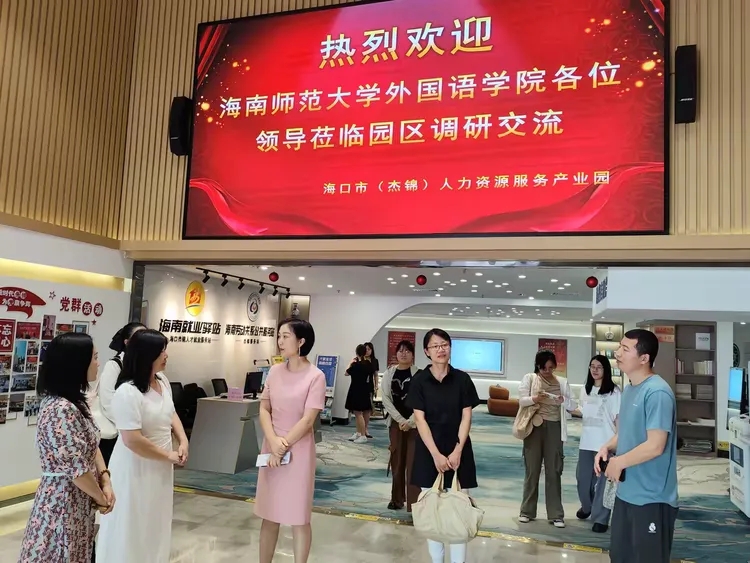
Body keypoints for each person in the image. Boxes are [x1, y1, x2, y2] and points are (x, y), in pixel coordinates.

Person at [18, 333, 115, 563]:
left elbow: (91, 445)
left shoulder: (75, 402)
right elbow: (77, 470)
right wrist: (101, 497)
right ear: (77, 364)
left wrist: (105, 478)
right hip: (62, 502)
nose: (98, 363)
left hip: (79, 500)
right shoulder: (60, 409)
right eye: (94, 357)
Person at [96, 329, 188, 563]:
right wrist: (167, 455)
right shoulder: (127, 392)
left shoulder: (161, 382)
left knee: (156, 519)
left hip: (161, 466)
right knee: (133, 520)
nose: (166, 355)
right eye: (161, 351)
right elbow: (132, 439)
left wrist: (183, 440)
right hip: (136, 467)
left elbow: (170, 412)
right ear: (146, 355)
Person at [595, 329, 678, 563]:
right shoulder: (630, 389)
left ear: (644, 358)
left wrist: (620, 462)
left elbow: (656, 445)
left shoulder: (657, 392)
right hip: (626, 493)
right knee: (620, 557)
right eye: (619, 347)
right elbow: (626, 432)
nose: (617, 353)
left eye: (625, 349)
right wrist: (607, 447)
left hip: (652, 498)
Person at [406, 328, 480, 563]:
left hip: (459, 450)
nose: (441, 349)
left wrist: (457, 450)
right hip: (429, 451)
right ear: (426, 351)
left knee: (459, 510)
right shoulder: (419, 381)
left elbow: (466, 416)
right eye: (435, 346)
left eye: (445, 344)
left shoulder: (462, 379)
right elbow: (420, 420)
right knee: (433, 510)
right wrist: (436, 455)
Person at [255, 318, 326, 563]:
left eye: (285, 336)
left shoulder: (316, 376)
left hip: (298, 450)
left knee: (299, 516)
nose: (280, 341)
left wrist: (282, 445)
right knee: (269, 513)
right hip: (272, 445)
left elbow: (308, 420)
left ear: (301, 341)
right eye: (279, 336)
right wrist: (273, 441)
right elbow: (264, 409)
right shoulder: (274, 371)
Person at [518, 350, 577, 528]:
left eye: (551, 368)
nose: (547, 371)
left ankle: (556, 514)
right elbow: (521, 401)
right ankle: (527, 511)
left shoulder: (562, 382)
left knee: (554, 470)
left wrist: (563, 400)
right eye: (544, 368)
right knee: (532, 469)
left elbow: (573, 405)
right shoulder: (530, 378)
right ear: (538, 366)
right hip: (534, 427)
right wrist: (535, 398)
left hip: (554, 428)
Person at [575, 355, 621, 533]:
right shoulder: (585, 389)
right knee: (583, 480)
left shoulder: (614, 392)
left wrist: (617, 441)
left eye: (599, 367)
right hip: (587, 442)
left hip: (606, 443)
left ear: (605, 370)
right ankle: (587, 507)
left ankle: (601, 518)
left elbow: (618, 419)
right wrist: (567, 405)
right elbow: (583, 411)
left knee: (603, 483)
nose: (594, 370)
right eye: (592, 366)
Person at [90, 322, 145, 465]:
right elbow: (108, 403)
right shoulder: (114, 365)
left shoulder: (147, 368)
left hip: (138, 433)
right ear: (127, 342)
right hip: (117, 433)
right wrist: (128, 425)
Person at [380, 339, 421, 511]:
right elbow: (385, 399)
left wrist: (410, 421)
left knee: (413, 463)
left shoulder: (420, 375)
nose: (403, 354)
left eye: (407, 351)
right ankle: (396, 499)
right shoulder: (389, 373)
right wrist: (399, 420)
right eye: (400, 351)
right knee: (397, 462)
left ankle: (414, 504)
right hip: (396, 424)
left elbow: (422, 401)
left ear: (413, 355)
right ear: (396, 354)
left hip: (415, 425)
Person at [344, 344, 376, 444]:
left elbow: (346, 373)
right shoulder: (368, 364)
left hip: (356, 390)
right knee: (364, 411)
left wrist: (350, 363)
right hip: (365, 389)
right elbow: (372, 374)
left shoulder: (355, 365)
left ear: (357, 353)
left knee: (358, 413)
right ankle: (359, 433)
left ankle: (362, 435)